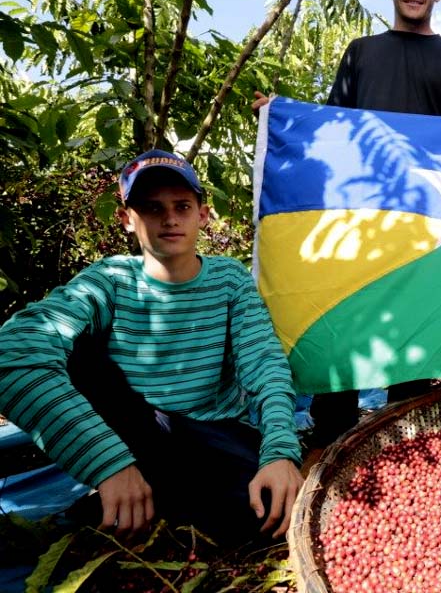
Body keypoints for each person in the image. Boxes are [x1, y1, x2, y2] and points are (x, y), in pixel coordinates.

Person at [253, 0, 441, 469]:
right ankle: (332, 433)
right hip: (363, 213)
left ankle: (405, 433)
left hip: (427, 219)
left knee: (415, 322)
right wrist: (281, 116)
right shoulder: (361, 52)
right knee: (351, 312)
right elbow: (331, 130)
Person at [0, 149, 303, 542]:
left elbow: (264, 364)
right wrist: (108, 462)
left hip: (216, 434)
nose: (170, 219)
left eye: (182, 206)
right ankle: (132, 486)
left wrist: (280, 450)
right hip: (137, 433)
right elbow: (12, 349)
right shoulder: (109, 280)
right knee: (74, 352)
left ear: (203, 215)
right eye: (151, 208)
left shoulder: (230, 280)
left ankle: (153, 499)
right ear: (127, 219)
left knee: (264, 516)